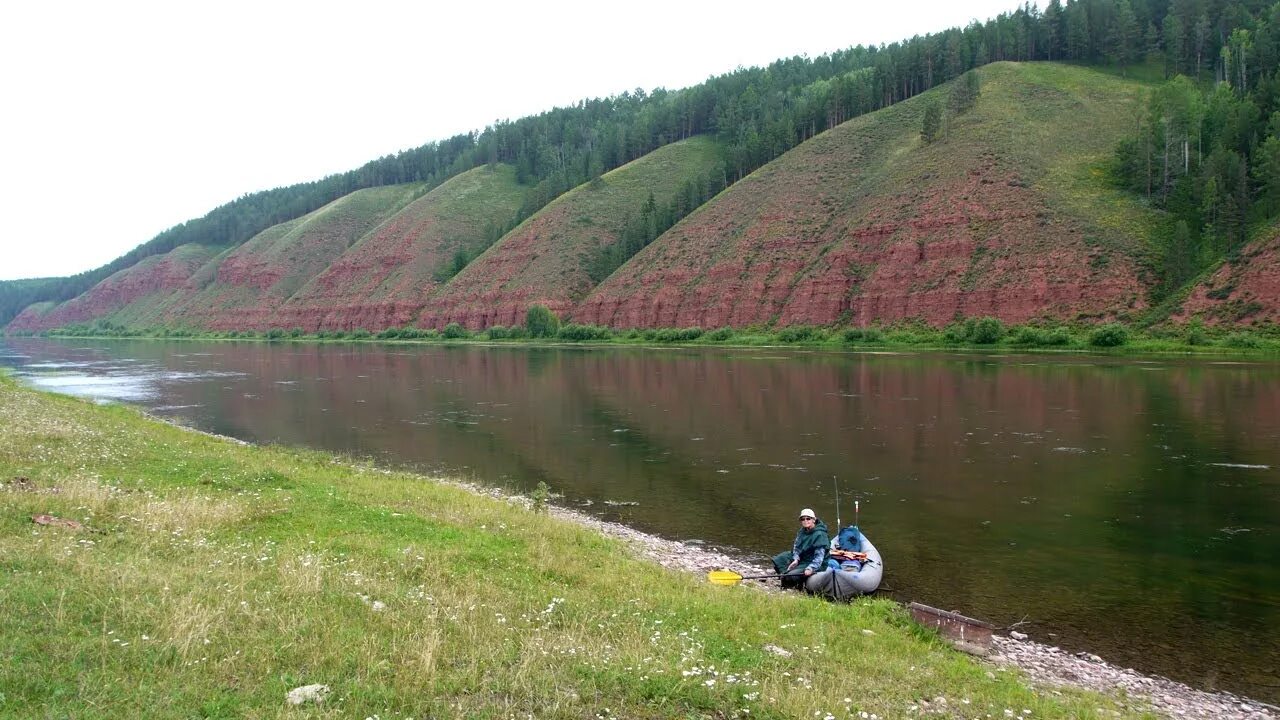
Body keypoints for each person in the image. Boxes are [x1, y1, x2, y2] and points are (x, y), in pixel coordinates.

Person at [771, 508, 830, 588]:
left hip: (814, 562)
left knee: (790, 576)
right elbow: (797, 547)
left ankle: (795, 583)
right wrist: (796, 559)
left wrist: (810, 568)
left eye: (808, 518)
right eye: (803, 519)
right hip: (802, 557)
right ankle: (787, 578)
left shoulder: (820, 534)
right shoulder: (803, 530)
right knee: (778, 559)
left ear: (814, 520)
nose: (805, 521)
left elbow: (819, 557)